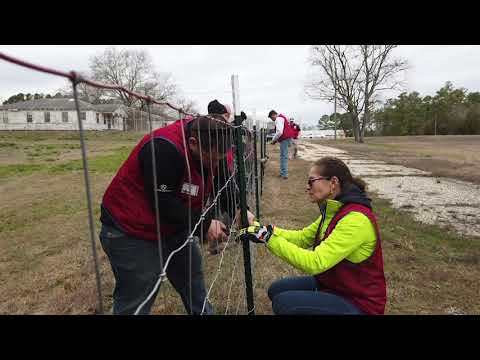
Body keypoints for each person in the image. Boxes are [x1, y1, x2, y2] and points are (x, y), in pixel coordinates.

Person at [99, 114, 238, 315]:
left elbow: (221, 177)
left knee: (192, 277)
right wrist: (205, 225)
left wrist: (239, 209)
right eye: (210, 159)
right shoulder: (163, 149)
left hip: (174, 226)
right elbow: (163, 202)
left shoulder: (214, 145)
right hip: (131, 228)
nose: (215, 165)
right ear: (193, 143)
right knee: (138, 296)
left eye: (219, 159)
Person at [237, 157, 387, 315]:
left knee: (284, 303)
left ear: (333, 182)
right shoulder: (335, 210)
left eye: (311, 181)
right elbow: (302, 237)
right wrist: (265, 230)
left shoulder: (356, 220)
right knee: (276, 290)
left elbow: (315, 262)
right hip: (336, 285)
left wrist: (267, 238)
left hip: (358, 302)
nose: (307, 187)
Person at [268, 110, 296, 179]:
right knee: (284, 156)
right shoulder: (281, 118)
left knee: (283, 157)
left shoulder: (278, 119)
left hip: (285, 139)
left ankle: (284, 174)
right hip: (287, 138)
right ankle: (283, 173)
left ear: (273, 115)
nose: (272, 120)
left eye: (272, 118)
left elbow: (279, 132)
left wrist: (273, 140)